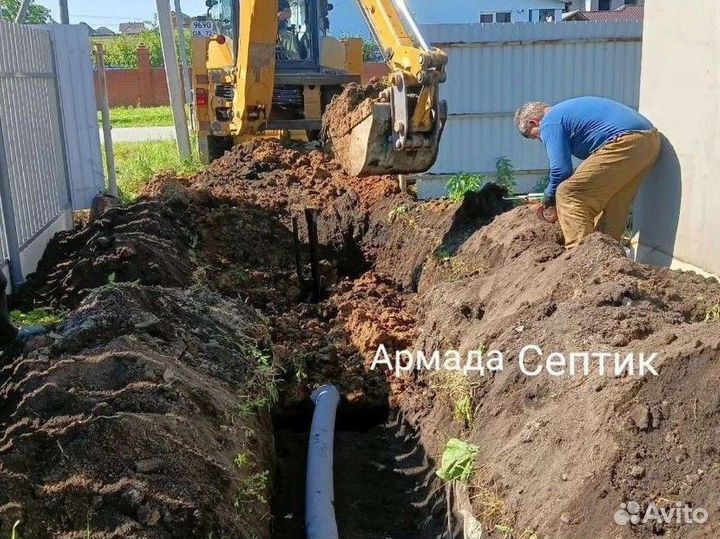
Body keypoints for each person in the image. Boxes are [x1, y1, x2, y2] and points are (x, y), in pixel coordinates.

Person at [514, 97, 661, 249]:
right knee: (614, 201)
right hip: (649, 142)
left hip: (624, 141)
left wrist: (548, 198)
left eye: (535, 135)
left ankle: (579, 257)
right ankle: (607, 255)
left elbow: (560, 171)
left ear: (534, 122)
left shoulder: (550, 121)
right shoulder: (566, 112)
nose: (540, 138)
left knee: (567, 192)